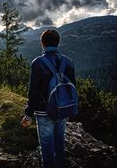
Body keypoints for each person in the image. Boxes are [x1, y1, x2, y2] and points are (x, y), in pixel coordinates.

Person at [21, 29, 76, 168]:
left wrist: (28, 115)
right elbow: (72, 87)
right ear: (58, 43)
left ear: (42, 44)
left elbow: (33, 92)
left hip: (44, 112)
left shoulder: (38, 63)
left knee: (47, 151)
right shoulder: (68, 62)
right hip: (62, 108)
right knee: (60, 146)